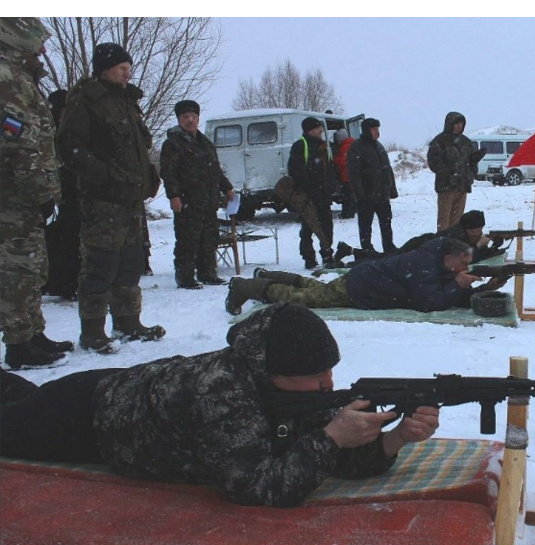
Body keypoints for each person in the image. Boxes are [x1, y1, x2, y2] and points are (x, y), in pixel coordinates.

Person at [0, 304, 440, 507]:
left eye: (330, 371)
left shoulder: (287, 387)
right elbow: (257, 488)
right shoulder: (223, 394)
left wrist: (395, 439)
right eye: (317, 376)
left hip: (121, 392)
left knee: (18, 397)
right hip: (84, 417)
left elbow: (338, 459)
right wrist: (329, 438)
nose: (329, 384)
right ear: (277, 373)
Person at [57, 42, 165, 354]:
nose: (128, 73)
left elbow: (137, 148)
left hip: (130, 199)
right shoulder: (87, 100)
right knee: (100, 264)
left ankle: (128, 322)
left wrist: (149, 176)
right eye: (122, 68)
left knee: (130, 263)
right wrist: (103, 176)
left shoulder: (126, 102)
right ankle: (92, 331)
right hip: (103, 200)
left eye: (129, 68)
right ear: (105, 68)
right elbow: (70, 146)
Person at [0, 17, 74, 370]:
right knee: (18, 271)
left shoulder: (22, 78)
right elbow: (15, 145)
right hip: (13, 199)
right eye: (36, 42)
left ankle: (33, 334)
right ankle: (18, 344)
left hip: (26, 197)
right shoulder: (8, 80)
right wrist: (39, 190)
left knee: (34, 268)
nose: (44, 49)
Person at [226, 237, 507, 315]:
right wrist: (458, 285)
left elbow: (444, 291)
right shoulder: (425, 266)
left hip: (364, 279)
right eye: (462, 265)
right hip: (362, 287)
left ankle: (267, 274)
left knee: (314, 286)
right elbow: (428, 303)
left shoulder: (437, 263)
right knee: (305, 299)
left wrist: (478, 290)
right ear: (449, 260)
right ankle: (247, 287)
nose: (464, 270)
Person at [160, 100, 235, 289]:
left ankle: (208, 273)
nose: (190, 120)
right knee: (187, 240)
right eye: (185, 117)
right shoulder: (173, 144)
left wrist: (227, 188)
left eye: (193, 117)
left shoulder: (205, 143)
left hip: (208, 200)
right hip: (187, 200)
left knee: (209, 238)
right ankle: (185, 276)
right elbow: (169, 173)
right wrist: (174, 196)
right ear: (179, 120)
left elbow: (215, 170)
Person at [333, 209, 503, 265]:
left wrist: (493, 245)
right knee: (386, 260)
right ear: (469, 229)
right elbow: (466, 258)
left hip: (424, 246)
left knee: (387, 258)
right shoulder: (457, 236)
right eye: (478, 229)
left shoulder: (465, 233)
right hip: (420, 247)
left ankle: (350, 251)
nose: (480, 232)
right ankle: (352, 258)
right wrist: (480, 246)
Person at [41, 89, 82, 301]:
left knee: (70, 239)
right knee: (58, 240)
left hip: (73, 192)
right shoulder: (49, 130)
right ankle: (59, 283)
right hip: (56, 192)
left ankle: (67, 283)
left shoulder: (73, 130)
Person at [288, 117, 337, 269]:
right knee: (308, 227)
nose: (321, 130)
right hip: (308, 197)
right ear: (310, 130)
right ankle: (309, 258)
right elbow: (295, 171)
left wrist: (331, 187)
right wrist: (310, 190)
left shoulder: (323, 146)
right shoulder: (300, 146)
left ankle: (327, 255)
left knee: (327, 226)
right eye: (318, 128)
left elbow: (329, 168)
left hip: (324, 196)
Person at [426, 111, 486, 231]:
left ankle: (454, 244)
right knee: (444, 220)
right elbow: (434, 163)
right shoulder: (439, 141)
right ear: (449, 124)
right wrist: (449, 174)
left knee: (458, 220)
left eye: (461, 124)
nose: (459, 126)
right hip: (446, 187)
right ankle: (442, 244)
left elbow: (470, 163)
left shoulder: (466, 142)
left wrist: (473, 165)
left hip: (462, 186)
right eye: (456, 123)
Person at [347, 117, 398, 254]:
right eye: (374, 129)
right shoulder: (357, 147)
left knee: (386, 223)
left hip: (382, 194)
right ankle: (367, 249)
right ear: (366, 130)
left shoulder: (379, 146)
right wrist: (360, 194)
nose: (377, 132)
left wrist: (392, 189)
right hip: (366, 195)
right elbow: (354, 173)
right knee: (365, 225)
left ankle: (389, 246)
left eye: (378, 129)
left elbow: (387, 169)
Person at [331, 128, 356, 219]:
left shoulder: (345, 146)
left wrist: (334, 160)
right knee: (350, 195)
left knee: (347, 196)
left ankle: (347, 214)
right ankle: (351, 211)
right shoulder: (351, 143)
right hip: (351, 175)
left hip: (346, 175)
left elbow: (344, 160)